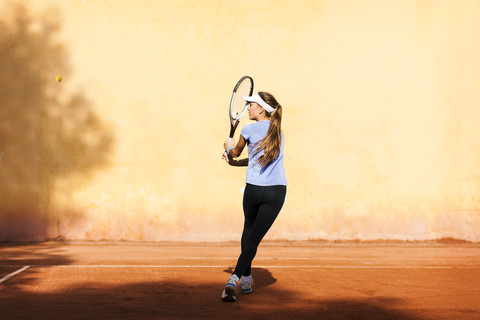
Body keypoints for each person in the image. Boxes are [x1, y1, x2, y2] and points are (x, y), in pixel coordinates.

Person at [221, 91, 287, 302]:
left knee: (248, 234)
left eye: (251, 105)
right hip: (276, 192)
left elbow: (236, 152)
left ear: (261, 109)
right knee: (253, 238)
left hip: (254, 191)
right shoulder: (279, 134)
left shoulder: (248, 129)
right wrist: (235, 162)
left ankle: (235, 279)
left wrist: (228, 146)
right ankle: (246, 280)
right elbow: (258, 159)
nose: (247, 108)